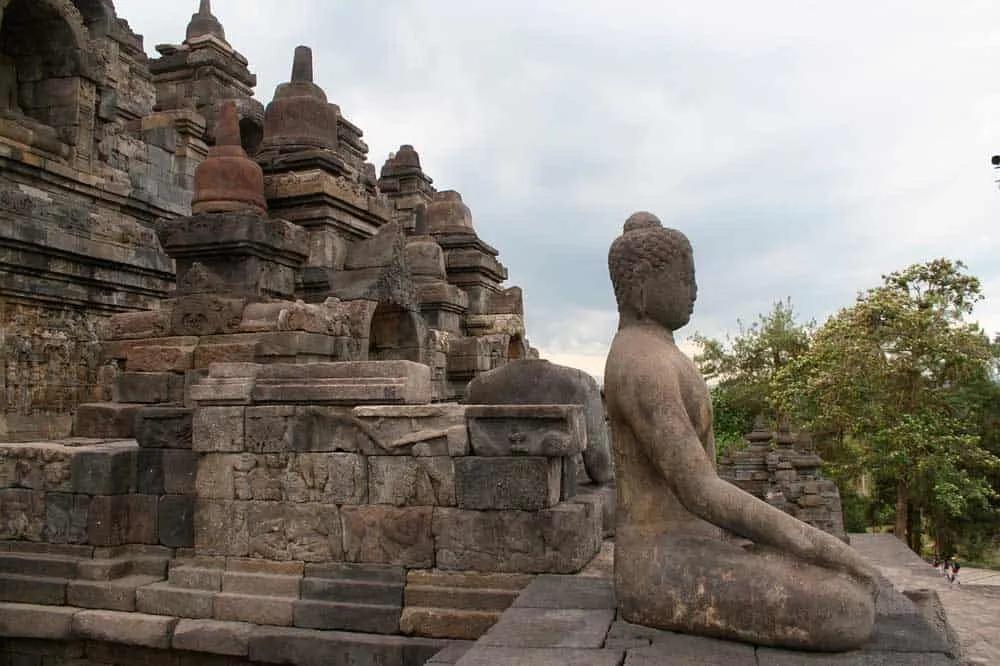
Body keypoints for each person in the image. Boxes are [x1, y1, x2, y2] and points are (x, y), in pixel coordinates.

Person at [604, 213, 877, 651]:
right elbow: (701, 490)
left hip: (693, 545)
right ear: (641, 286)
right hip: (659, 564)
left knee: (842, 587)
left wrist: (815, 550)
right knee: (845, 609)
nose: (694, 291)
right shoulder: (642, 364)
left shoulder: (657, 352)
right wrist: (826, 547)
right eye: (684, 278)